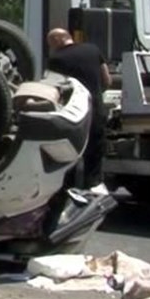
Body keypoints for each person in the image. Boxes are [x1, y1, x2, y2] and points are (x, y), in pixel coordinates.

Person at [46, 28, 112, 193]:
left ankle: (67, 199)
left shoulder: (56, 59)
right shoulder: (93, 49)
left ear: (57, 41)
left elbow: (55, 90)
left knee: (69, 162)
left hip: (74, 117)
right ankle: (94, 195)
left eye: (50, 44)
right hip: (97, 112)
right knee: (94, 164)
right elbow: (107, 80)